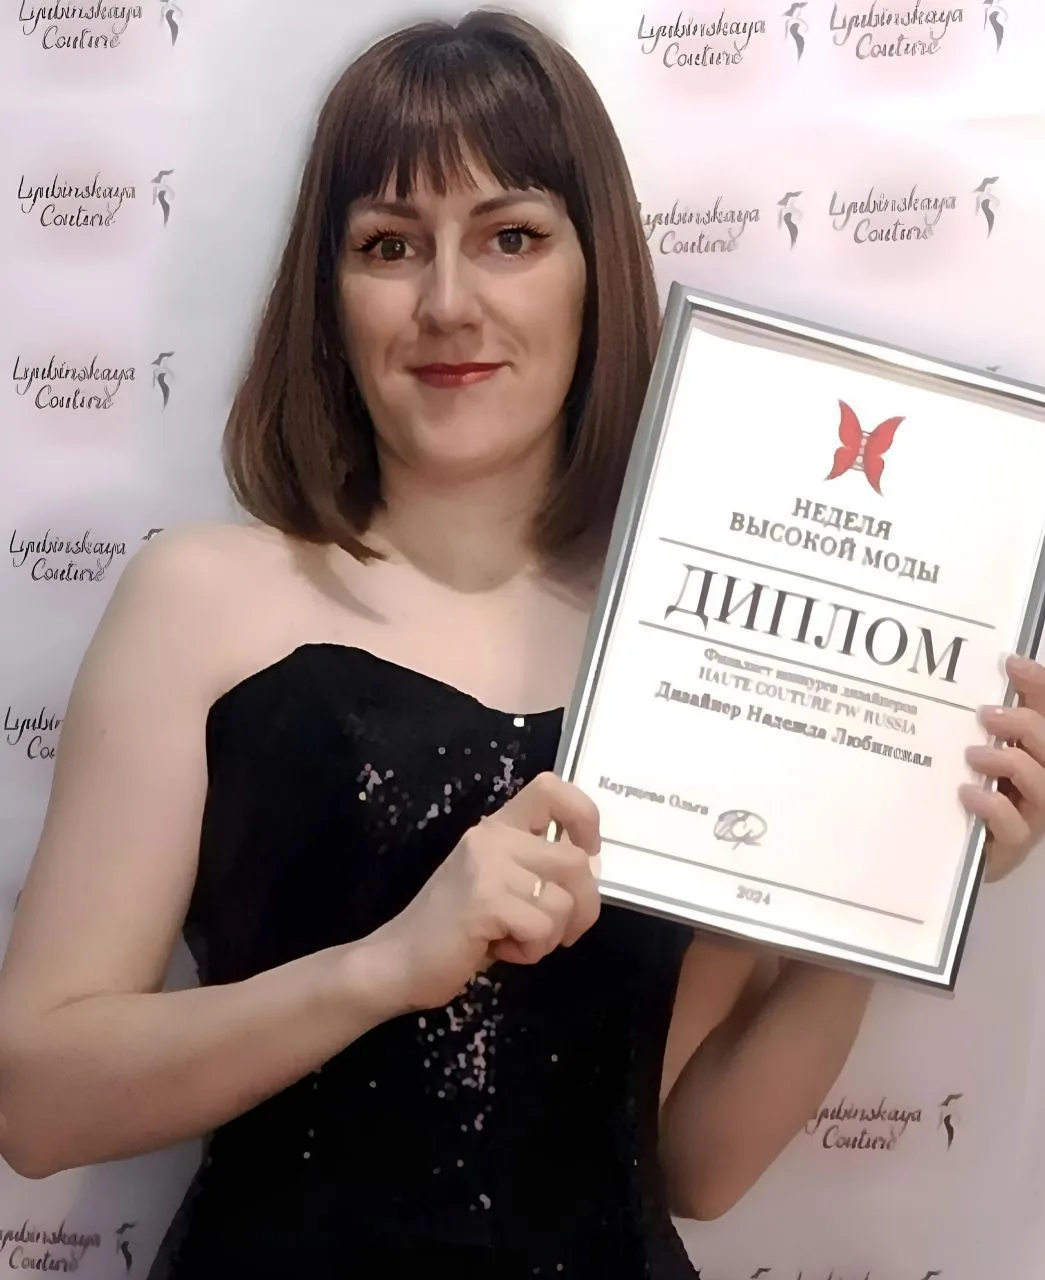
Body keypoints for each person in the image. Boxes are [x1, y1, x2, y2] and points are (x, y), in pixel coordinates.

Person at [0, 11, 1043, 1279]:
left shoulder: (683, 641)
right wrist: (384, 966)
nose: (449, 302)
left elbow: (694, 1161)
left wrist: (904, 883)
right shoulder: (201, 598)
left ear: (592, 269)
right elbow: (35, 1101)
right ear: (327, 294)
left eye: (511, 236)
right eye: (390, 245)